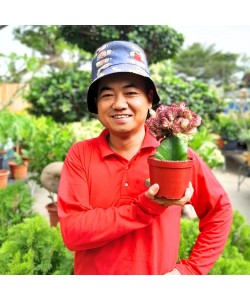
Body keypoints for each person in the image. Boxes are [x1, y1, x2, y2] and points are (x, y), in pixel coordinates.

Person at [57, 40, 233, 275]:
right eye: (107, 94)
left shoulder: (175, 156)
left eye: (130, 93)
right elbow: (73, 233)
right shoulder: (81, 154)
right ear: (97, 105)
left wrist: (191, 271)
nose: (119, 104)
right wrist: (144, 208)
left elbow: (219, 210)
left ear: (149, 99)